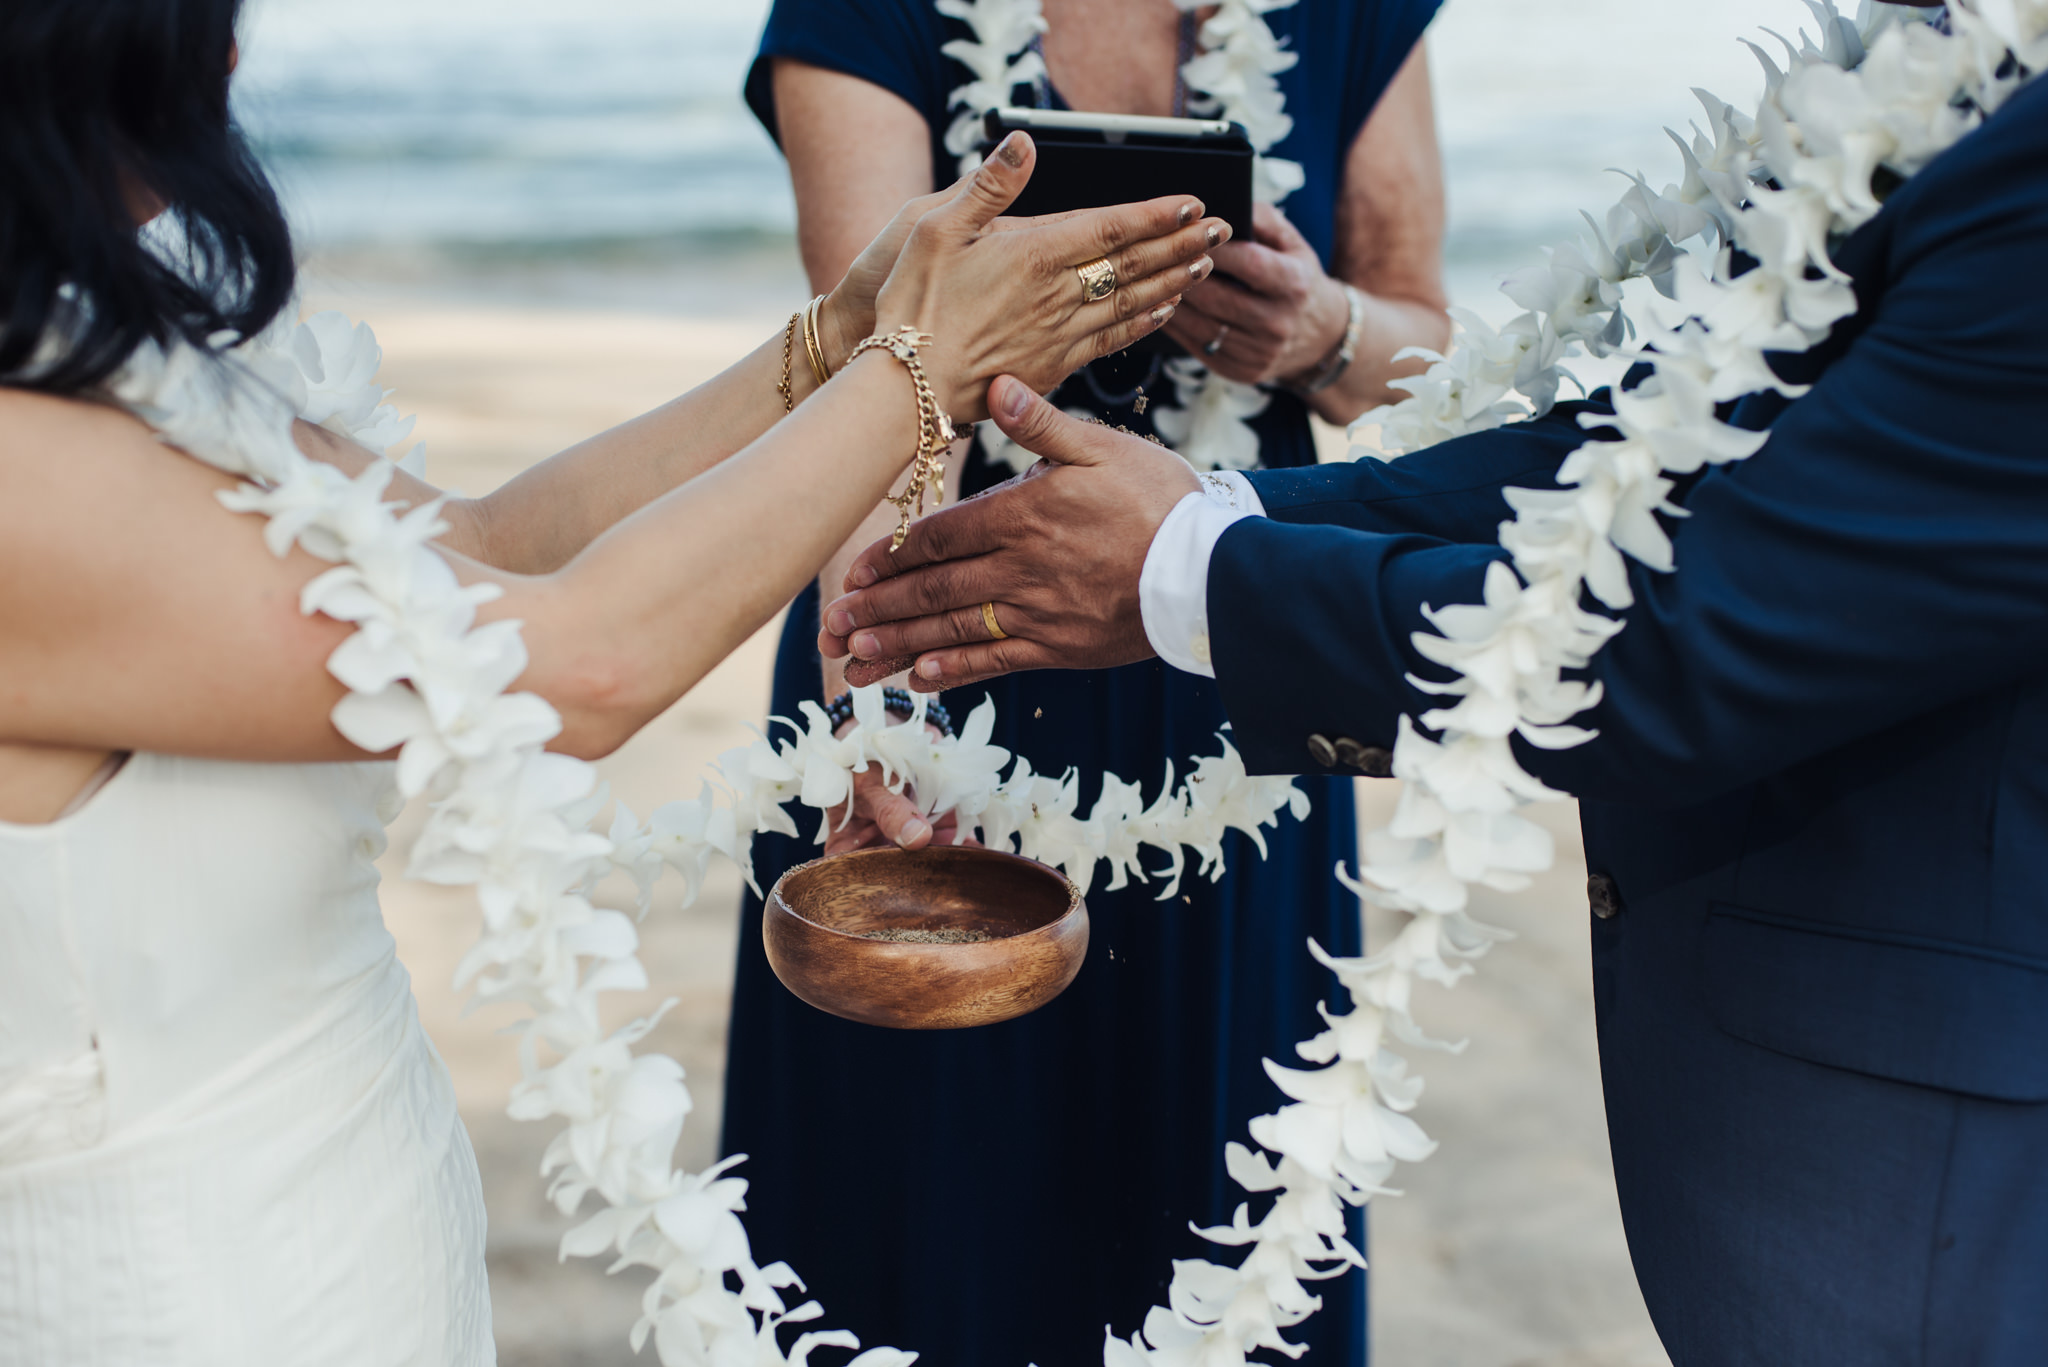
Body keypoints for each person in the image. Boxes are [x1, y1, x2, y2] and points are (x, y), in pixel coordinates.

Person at [813, 14, 2048, 1363]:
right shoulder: (1943, 61)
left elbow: (1705, 631)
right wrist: (1212, 523)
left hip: (1932, 1118)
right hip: (1076, 597)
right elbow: (1640, 449)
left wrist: (1196, 559)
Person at [0, 3, 1225, 1361]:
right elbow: (574, 664)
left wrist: (841, 339)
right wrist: (925, 369)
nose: (233, 59)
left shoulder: (98, 355)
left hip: (344, 1194)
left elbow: (486, 548)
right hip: (168, 1280)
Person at [721, 1, 1448, 1360]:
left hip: (1227, 662)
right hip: (937, 633)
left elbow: (1426, 348)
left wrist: (1312, 331)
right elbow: (872, 364)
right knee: (910, 1210)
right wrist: (880, 699)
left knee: (1219, 1184)